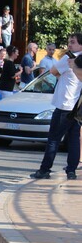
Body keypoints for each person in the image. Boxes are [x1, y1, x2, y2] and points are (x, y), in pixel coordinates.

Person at [30, 33, 82, 180]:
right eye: (69, 42)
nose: (69, 45)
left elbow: (52, 71)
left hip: (64, 104)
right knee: (74, 139)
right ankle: (71, 170)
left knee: (54, 138)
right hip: (77, 106)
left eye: (73, 42)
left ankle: (45, 169)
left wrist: (62, 77)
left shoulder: (69, 58)